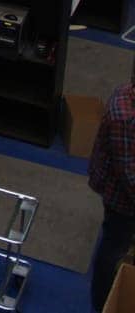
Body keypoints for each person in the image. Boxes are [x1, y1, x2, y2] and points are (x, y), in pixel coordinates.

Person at [90, 73, 135, 312]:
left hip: (124, 181)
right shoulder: (125, 117)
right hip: (120, 195)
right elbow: (129, 176)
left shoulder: (130, 94)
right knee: (113, 246)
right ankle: (103, 304)